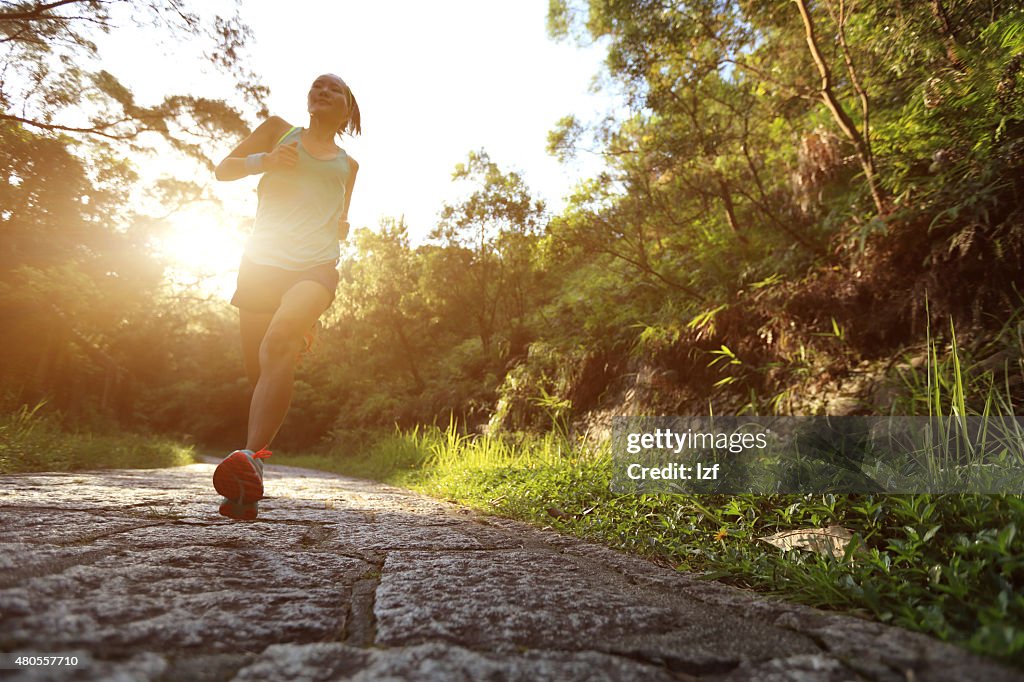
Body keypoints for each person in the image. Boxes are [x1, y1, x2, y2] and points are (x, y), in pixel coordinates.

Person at [211, 73, 360, 519]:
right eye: (317, 85)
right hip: (260, 264)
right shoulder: (278, 130)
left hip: (314, 270)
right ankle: (244, 488)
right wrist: (265, 161)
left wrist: (308, 313)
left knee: (279, 342)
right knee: (260, 371)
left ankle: (252, 458)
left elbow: (341, 219)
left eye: (334, 89)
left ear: (348, 109)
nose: (322, 91)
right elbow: (223, 170)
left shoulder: (349, 166)